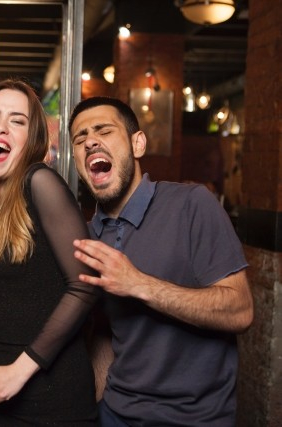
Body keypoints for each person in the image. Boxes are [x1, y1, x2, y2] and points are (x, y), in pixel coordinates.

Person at [68, 96, 253, 426]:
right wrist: (94, 409)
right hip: (115, 414)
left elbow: (240, 310)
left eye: (103, 130)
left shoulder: (191, 205)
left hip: (194, 419)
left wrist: (138, 284)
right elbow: (106, 332)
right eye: (80, 138)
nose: (90, 141)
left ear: (137, 144)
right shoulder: (87, 237)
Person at [0, 79, 99, 426]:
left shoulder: (40, 183)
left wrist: (20, 370)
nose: (1, 127)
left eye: (17, 121)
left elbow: (86, 284)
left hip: (49, 401)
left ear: (32, 140)